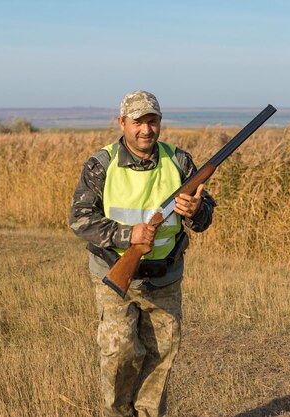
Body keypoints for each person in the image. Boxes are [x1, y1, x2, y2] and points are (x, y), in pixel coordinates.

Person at [69, 90, 215, 417]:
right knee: (119, 354)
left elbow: (204, 219)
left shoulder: (179, 161)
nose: (146, 130)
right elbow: (79, 221)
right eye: (138, 122)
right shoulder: (101, 164)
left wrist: (195, 211)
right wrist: (128, 234)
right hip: (114, 275)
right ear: (122, 123)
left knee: (160, 358)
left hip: (165, 278)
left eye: (153, 121)